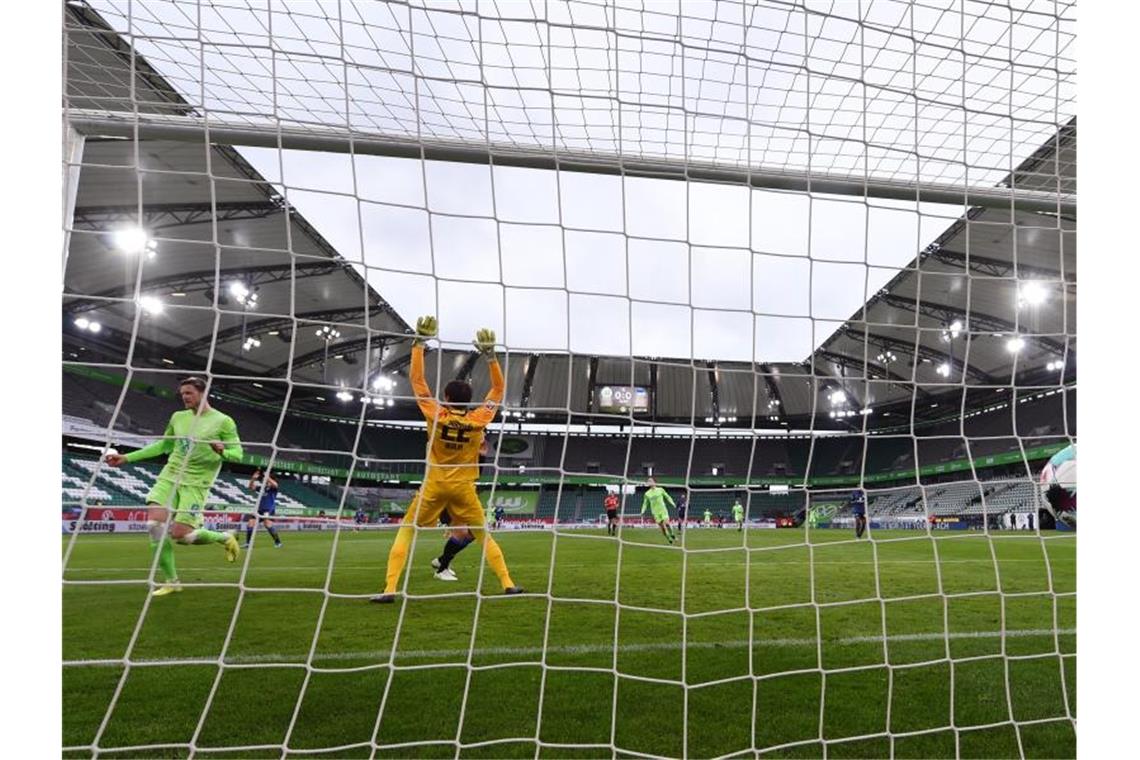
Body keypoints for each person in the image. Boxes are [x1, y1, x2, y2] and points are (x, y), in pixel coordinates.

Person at [372, 316, 522, 603]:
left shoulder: (436, 414)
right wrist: (491, 358)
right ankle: (508, 583)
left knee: (406, 530)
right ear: (469, 401)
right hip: (464, 486)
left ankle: (390, 589)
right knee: (483, 536)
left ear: (445, 396)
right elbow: (498, 391)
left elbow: (417, 382)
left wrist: (418, 345)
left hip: (434, 484)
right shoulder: (479, 419)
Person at [105, 377, 242, 596]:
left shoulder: (224, 421)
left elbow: (238, 454)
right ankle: (172, 581)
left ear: (203, 393)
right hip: (170, 476)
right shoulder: (178, 417)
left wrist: (222, 452)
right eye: (182, 393)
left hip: (196, 483)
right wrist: (127, 458)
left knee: (182, 536)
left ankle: (225, 538)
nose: (184, 397)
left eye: (189, 393)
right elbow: (165, 445)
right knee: (154, 525)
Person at [245, 469, 283, 548]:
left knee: (267, 525)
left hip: (268, 509)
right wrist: (253, 479)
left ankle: (278, 542)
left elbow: (276, 484)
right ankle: (248, 544)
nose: (263, 480)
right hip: (259, 509)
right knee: (250, 524)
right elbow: (250, 487)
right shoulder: (262, 487)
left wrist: (267, 477)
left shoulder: (273, 488)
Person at [640, 477, 676, 544]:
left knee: (667, 523)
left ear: (654, 482)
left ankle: (672, 534)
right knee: (663, 528)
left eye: (651, 481)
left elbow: (667, 497)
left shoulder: (660, 490)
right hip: (655, 513)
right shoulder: (647, 494)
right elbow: (645, 504)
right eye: (648, 481)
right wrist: (642, 511)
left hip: (663, 510)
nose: (650, 482)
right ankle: (669, 538)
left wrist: (672, 503)